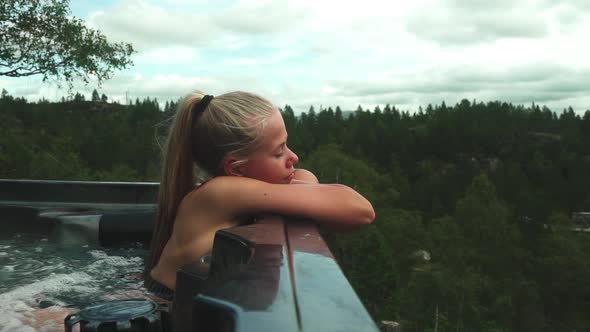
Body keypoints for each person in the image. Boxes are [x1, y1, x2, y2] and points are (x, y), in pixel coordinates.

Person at [144, 91, 375, 300]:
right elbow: (360, 211)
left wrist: (294, 185)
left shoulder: (233, 190)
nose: (293, 157)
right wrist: (298, 192)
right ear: (237, 169)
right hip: (163, 303)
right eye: (279, 151)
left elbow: (306, 176)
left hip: (176, 298)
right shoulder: (222, 191)